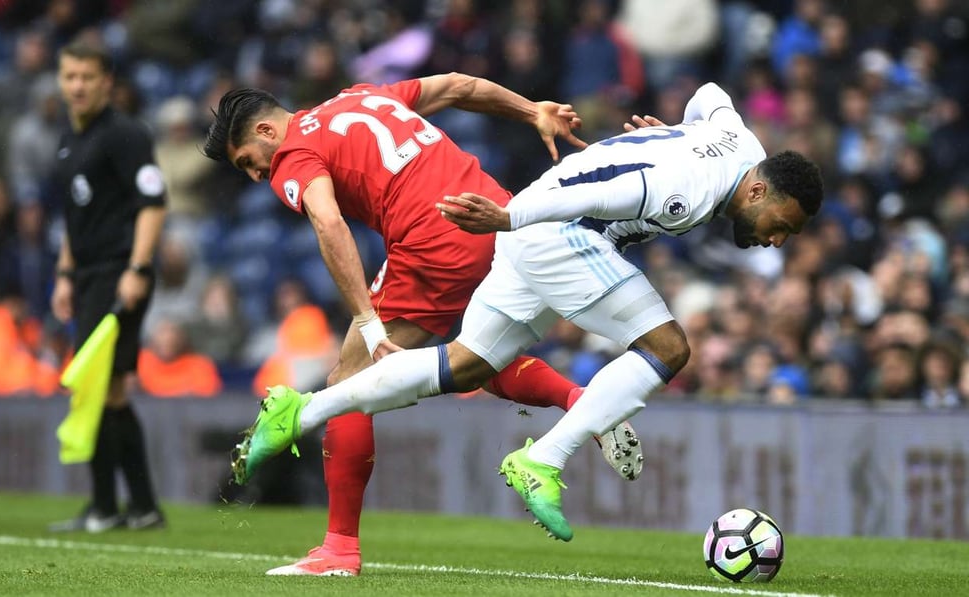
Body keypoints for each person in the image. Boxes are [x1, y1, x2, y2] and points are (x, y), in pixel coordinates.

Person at [239, 82, 824, 542]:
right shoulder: (686, 191)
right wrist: (510, 218)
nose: (777, 241)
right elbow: (596, 197)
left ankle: (302, 408)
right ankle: (544, 457)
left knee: (466, 365)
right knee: (668, 348)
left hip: (526, 234)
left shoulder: (740, 139)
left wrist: (683, 128)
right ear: (757, 192)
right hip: (550, 232)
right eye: (782, 227)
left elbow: (712, 95)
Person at [203, 72, 646, 575]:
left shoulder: (292, 154)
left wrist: (368, 321)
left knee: (347, 381)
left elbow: (328, 223)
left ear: (265, 131)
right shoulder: (362, 96)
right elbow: (458, 86)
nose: (256, 176)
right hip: (497, 216)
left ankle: (339, 550)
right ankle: (584, 403)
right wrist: (531, 110)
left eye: (247, 163)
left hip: (433, 242)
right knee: (475, 355)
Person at [48, 42, 167, 533]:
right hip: (88, 273)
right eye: (70, 76)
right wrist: (63, 274)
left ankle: (113, 507)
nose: (77, 85)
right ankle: (134, 508)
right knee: (105, 390)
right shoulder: (70, 140)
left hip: (119, 269)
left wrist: (137, 269)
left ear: (106, 82)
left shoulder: (125, 135)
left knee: (100, 386)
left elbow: (153, 203)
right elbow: (77, 221)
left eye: (87, 77)